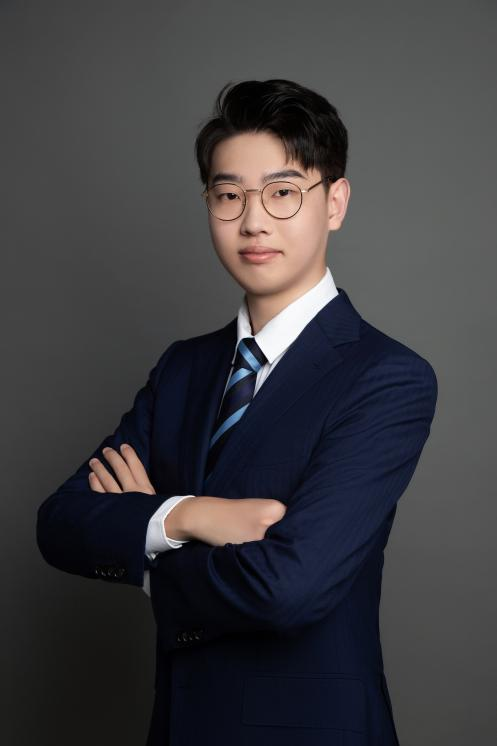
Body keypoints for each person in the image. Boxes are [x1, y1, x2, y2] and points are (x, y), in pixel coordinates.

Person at [36, 78, 438, 746]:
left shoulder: (385, 378)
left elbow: (288, 589)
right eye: (228, 196)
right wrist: (189, 516)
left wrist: (148, 545)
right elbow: (60, 523)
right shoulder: (183, 369)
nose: (253, 222)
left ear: (335, 202)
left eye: (282, 193)